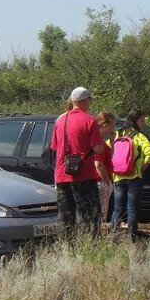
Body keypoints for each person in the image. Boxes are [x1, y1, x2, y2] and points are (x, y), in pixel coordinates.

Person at [50, 87, 107, 234]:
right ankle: (91, 248)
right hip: (84, 175)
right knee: (90, 215)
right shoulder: (89, 120)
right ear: (84, 100)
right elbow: (98, 149)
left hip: (62, 175)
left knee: (66, 217)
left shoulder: (60, 121)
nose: (90, 103)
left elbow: (55, 147)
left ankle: (68, 249)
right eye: (89, 100)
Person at [110, 109, 150, 238]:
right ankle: (132, 235)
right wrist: (143, 167)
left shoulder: (117, 134)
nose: (144, 123)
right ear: (135, 121)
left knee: (117, 208)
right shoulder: (139, 136)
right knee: (132, 208)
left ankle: (113, 235)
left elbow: (109, 151)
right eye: (142, 121)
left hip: (118, 176)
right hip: (134, 176)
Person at [95, 110, 116, 225]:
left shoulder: (102, 141)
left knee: (101, 213)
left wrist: (112, 142)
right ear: (105, 125)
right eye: (112, 126)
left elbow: (108, 157)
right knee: (101, 214)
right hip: (100, 181)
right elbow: (98, 164)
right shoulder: (98, 141)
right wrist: (108, 183)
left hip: (102, 181)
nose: (113, 129)